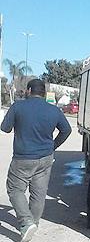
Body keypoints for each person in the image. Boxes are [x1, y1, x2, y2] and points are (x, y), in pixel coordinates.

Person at [0, 79, 72, 242]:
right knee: (39, 193)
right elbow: (66, 130)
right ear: (44, 93)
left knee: (15, 189)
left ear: (29, 90)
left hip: (23, 158)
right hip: (45, 158)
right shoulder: (54, 110)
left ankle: (26, 222)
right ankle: (34, 223)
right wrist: (53, 146)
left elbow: (5, 128)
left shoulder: (18, 106)